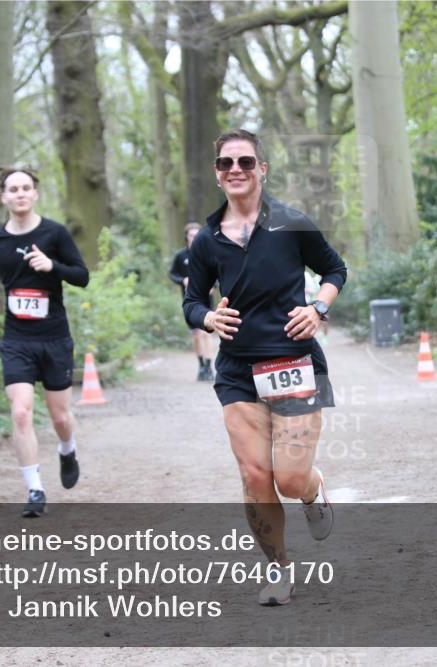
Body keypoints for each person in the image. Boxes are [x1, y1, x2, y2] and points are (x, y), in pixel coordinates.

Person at [183, 129, 347, 606]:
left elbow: (335, 269)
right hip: (237, 370)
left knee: (289, 479)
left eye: (245, 162)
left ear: (262, 169)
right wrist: (209, 318)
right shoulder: (207, 240)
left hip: (294, 362)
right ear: (216, 174)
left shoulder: (292, 224)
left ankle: (313, 491)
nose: (235, 169)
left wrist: (318, 308)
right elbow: (192, 302)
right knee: (255, 475)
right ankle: (279, 569)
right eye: (225, 163)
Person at [0, 165, 90, 517]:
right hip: (17, 340)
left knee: (60, 417)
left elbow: (82, 276)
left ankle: (67, 449)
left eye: (26, 188)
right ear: (4, 197)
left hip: (54, 338)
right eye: (13, 189)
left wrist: (51, 266)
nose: (20, 194)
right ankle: (35, 490)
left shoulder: (54, 233)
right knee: (21, 412)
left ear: (35, 193)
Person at [169, 222, 215, 381]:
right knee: (197, 335)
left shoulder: (208, 253)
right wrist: (183, 281)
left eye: (197, 235)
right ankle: (201, 366)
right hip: (190, 301)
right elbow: (172, 274)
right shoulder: (180, 256)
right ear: (186, 237)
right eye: (191, 235)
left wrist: (213, 286)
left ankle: (209, 366)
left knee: (207, 332)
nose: (194, 238)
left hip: (207, 301)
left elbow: (218, 272)